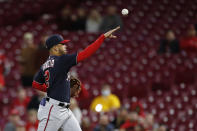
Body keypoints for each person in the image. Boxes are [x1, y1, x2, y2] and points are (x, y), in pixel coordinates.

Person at [32, 26, 120, 131]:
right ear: (55, 48)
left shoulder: (45, 65)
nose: (65, 46)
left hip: (63, 109)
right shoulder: (62, 60)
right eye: (62, 44)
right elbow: (85, 53)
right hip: (53, 109)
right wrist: (102, 37)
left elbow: (35, 84)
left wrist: (51, 88)